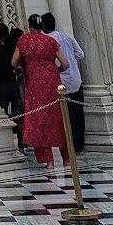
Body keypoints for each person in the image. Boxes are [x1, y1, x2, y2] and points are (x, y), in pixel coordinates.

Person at [13, 14, 69, 169]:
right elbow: (65, 63)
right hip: (53, 81)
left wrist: (23, 67)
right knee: (58, 117)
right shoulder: (50, 41)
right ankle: (66, 158)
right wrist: (56, 70)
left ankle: (49, 161)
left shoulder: (24, 40)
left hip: (35, 82)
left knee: (40, 120)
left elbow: (13, 61)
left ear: (30, 25)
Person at [42, 12, 85, 153]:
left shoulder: (46, 40)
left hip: (60, 82)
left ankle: (69, 146)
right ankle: (80, 145)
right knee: (78, 114)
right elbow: (80, 54)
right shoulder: (67, 36)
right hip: (75, 80)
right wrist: (71, 60)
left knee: (66, 116)